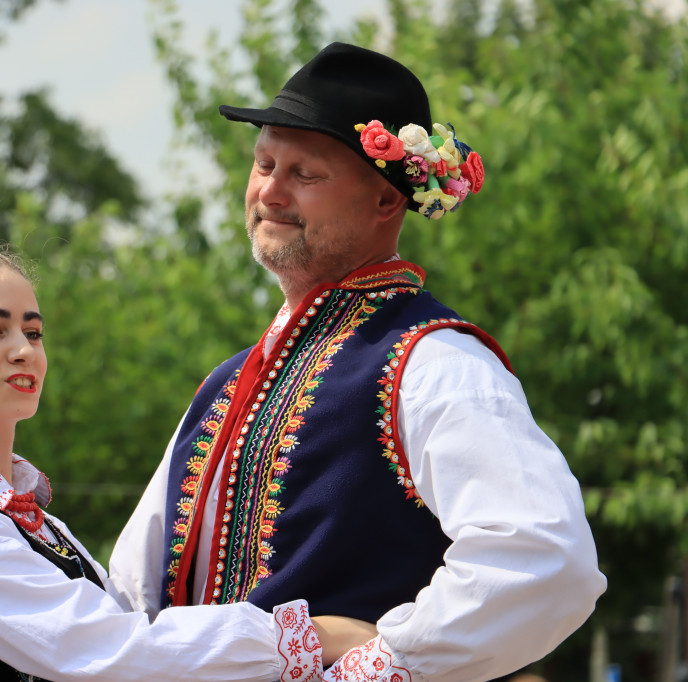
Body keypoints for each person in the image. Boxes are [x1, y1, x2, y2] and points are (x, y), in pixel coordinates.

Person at [107, 42, 607, 681]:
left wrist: (374, 666)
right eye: (264, 164)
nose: (271, 192)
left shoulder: (433, 362)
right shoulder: (228, 381)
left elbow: (543, 560)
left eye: (305, 175)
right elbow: (129, 596)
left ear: (386, 201)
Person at [0, 231, 365, 682]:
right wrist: (304, 635)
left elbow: (125, 635)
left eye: (33, 333)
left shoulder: (23, 518)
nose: (22, 350)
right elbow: (109, 652)